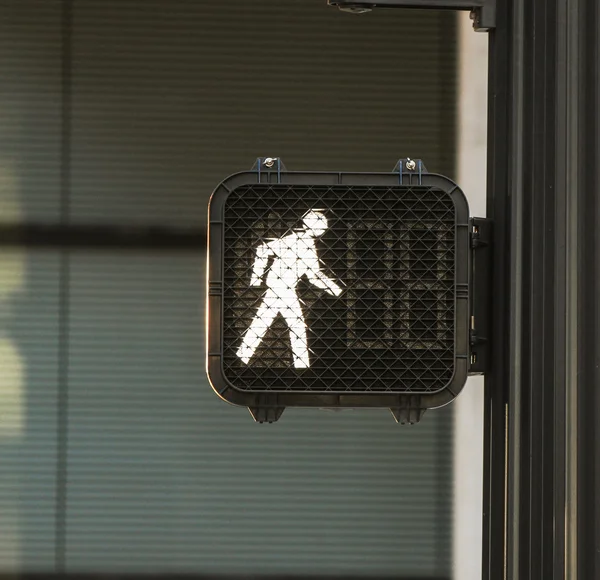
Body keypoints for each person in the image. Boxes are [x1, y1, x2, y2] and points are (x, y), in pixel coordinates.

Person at [237, 210, 342, 368]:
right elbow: (263, 249)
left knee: (264, 323)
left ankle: (242, 357)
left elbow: (313, 275)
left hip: (284, 288)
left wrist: (335, 289)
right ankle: (302, 367)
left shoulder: (304, 243)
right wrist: (256, 278)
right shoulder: (295, 240)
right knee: (296, 326)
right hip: (281, 288)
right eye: (322, 226)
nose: (324, 229)